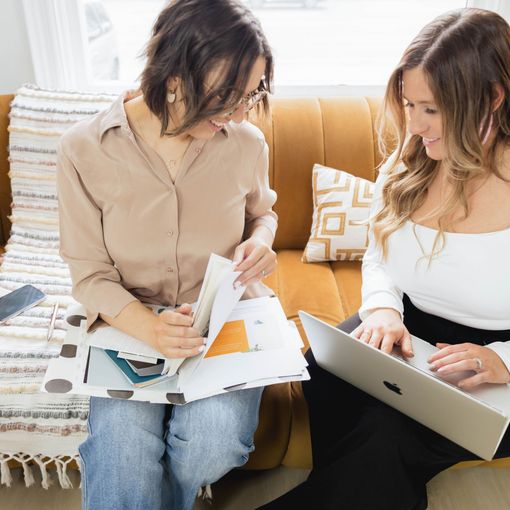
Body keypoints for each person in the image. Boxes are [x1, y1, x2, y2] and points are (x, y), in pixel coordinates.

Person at [260, 8, 510, 510]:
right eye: (409, 105)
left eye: (431, 109)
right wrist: (382, 308)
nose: (414, 126)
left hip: (492, 359)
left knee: (384, 437)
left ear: (492, 99)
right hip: (408, 326)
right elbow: (380, 250)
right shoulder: (416, 159)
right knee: (324, 373)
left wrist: (503, 360)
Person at [56, 1, 278, 509]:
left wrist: (261, 241)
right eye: (227, 97)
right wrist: (149, 327)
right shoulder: (83, 149)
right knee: (123, 457)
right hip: (127, 322)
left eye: (252, 95)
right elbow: (89, 275)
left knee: (211, 447)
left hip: (222, 318)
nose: (239, 114)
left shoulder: (247, 143)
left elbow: (262, 214)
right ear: (173, 76)